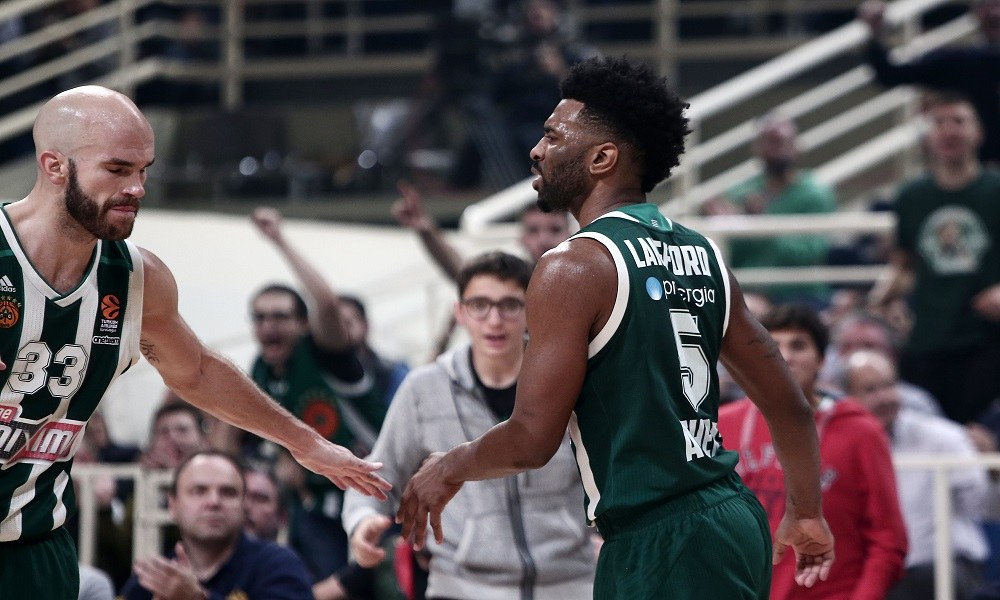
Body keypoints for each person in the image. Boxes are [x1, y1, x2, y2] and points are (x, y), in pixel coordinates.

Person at [394, 56, 835, 599]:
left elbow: (531, 440)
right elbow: (789, 403)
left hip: (660, 536)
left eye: (554, 136)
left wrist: (449, 466)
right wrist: (806, 511)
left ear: (602, 158)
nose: (537, 150)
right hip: (731, 519)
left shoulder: (572, 266)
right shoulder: (703, 254)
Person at [0, 85, 388, 600]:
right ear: (54, 167)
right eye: (117, 169)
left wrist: (305, 443)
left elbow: (198, 372)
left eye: (144, 170)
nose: (137, 187)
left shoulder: (138, 279)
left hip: (36, 548)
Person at [344, 251, 596, 600]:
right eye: (480, 305)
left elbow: (614, 465)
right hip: (460, 585)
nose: (494, 319)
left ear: (531, 311)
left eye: (510, 305)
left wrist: (609, 532)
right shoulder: (424, 388)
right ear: (459, 312)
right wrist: (361, 523)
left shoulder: (566, 379)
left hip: (571, 583)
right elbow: (377, 474)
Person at [719, 305, 908, 600]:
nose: (785, 356)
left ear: (822, 360)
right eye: (773, 345)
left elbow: (888, 539)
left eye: (798, 345)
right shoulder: (722, 424)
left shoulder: (861, 431)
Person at [243, 207, 390, 581]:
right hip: (315, 505)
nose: (268, 326)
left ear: (302, 323)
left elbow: (326, 302)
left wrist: (279, 239)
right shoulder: (260, 369)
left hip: (377, 493)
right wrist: (282, 456)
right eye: (260, 318)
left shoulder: (325, 354)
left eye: (279, 316)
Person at [867, 92, 1000, 424]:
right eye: (939, 123)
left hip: (986, 339)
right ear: (928, 136)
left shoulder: (995, 190)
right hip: (928, 338)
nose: (949, 130)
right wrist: (881, 302)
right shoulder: (912, 196)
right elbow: (904, 265)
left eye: (958, 121)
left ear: (979, 133)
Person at [842, 349, 988, 600]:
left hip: (942, 566)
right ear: (848, 397)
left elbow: (982, 504)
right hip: (877, 568)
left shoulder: (944, 438)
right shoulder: (840, 444)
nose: (884, 397)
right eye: (871, 390)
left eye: (889, 386)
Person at [119, 451, 314, 600]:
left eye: (228, 492)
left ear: (243, 505)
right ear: (172, 505)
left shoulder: (278, 565)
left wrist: (196, 598)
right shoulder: (155, 577)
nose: (214, 502)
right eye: (199, 491)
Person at [702, 113, 837, 305]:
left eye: (783, 142)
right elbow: (734, 255)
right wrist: (724, 228)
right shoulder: (742, 192)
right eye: (771, 142)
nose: (778, 150)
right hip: (747, 290)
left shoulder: (815, 194)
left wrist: (761, 223)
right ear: (757, 148)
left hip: (799, 293)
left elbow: (809, 253)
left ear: (797, 147)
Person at [858, 0, 1000, 166]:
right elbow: (891, 74)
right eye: (988, 5)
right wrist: (875, 32)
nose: (995, 12)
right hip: (977, 169)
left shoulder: (959, 61)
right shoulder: (958, 62)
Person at [819, 310, 941, 416]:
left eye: (868, 346)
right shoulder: (821, 399)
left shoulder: (915, 404)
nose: (856, 354)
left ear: (892, 355)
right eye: (847, 347)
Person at [339, 294, 410, 406]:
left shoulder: (393, 373)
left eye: (348, 323)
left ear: (365, 326)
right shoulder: (326, 380)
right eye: (334, 327)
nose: (340, 331)